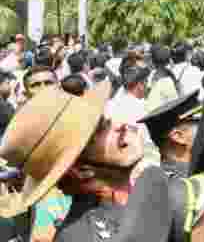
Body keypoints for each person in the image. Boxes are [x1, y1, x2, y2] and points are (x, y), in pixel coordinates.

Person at [0, 82, 146, 242]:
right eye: (101, 129)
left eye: (107, 121)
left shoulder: (143, 187)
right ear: (82, 170)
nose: (120, 125)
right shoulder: (83, 236)